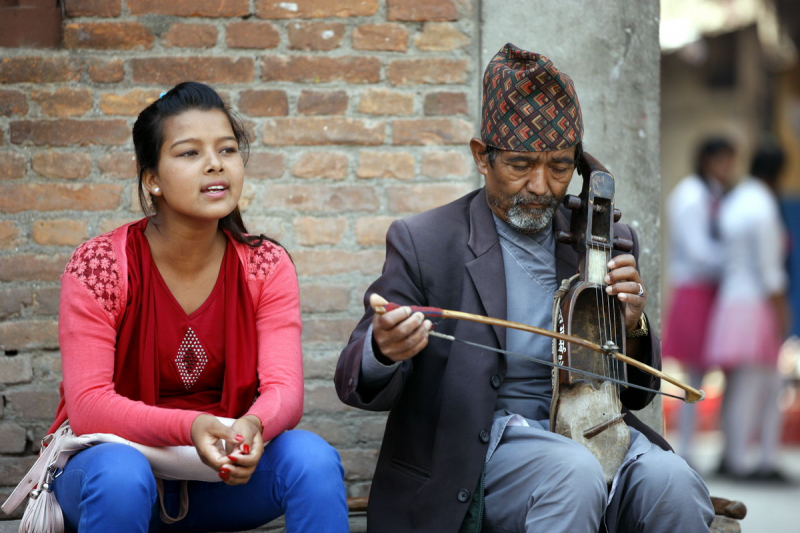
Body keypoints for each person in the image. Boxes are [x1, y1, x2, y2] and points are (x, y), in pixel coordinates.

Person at [334, 44, 714, 533]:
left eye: (559, 166)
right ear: (481, 156)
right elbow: (354, 376)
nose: (540, 185)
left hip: (592, 431)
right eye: (520, 165)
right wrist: (383, 348)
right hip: (485, 450)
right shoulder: (427, 241)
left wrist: (632, 323)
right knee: (571, 474)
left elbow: (637, 394)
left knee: (674, 483)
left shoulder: (603, 240)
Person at [48, 82, 349, 532]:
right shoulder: (102, 266)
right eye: (189, 153)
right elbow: (89, 406)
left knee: (313, 460)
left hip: (224, 478)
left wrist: (253, 425)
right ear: (152, 178)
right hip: (114, 479)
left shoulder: (265, 265)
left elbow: (285, 390)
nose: (215, 164)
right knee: (120, 476)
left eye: (227, 149)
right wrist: (191, 427)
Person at [706, 140, 791, 481]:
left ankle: (736, 455)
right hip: (755, 303)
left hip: (731, 299)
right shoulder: (763, 206)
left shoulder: (736, 200)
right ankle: (751, 460)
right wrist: (783, 313)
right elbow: (771, 272)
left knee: (740, 384)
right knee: (757, 385)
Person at [663, 137, 736, 462]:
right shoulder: (691, 197)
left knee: (708, 375)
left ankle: (709, 448)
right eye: (724, 161)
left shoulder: (712, 194)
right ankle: (687, 449)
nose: (729, 169)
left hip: (711, 290)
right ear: (707, 160)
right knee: (693, 377)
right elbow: (698, 253)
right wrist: (736, 260)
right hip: (695, 290)